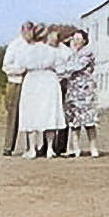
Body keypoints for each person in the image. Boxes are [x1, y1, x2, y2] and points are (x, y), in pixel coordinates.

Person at [16, 24, 67, 159]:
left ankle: (32, 149)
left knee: (31, 113)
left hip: (32, 81)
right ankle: (50, 148)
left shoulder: (26, 51)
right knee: (48, 113)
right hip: (49, 81)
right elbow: (62, 68)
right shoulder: (52, 51)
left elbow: (20, 67)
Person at [58, 29, 100, 157]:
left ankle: (93, 147)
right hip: (73, 90)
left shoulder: (87, 53)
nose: (75, 42)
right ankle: (75, 148)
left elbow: (76, 67)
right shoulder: (71, 54)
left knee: (89, 121)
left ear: (84, 41)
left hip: (85, 90)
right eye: (74, 39)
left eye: (78, 39)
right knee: (74, 121)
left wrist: (60, 71)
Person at [1, 21, 34, 156]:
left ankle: (30, 147)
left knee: (29, 115)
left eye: (32, 32)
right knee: (13, 115)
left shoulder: (34, 46)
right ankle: (8, 146)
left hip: (30, 84)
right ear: (22, 30)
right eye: (28, 31)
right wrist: (21, 70)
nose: (30, 34)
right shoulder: (14, 45)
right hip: (15, 82)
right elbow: (6, 66)